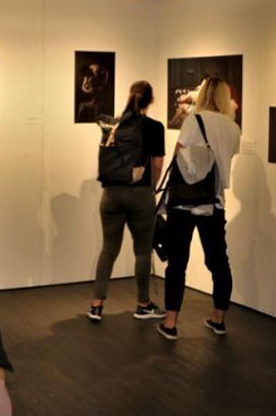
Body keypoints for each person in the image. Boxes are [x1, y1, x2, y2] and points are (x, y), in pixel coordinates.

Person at [158, 76, 241, 341]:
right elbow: (226, 160)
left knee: (177, 262)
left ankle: (171, 323)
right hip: (215, 202)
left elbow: (178, 156)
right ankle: (219, 319)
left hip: (185, 202)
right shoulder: (232, 127)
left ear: (203, 95)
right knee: (219, 261)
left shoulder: (194, 120)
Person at [88, 81, 166, 322]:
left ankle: (96, 305)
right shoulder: (154, 127)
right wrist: (151, 191)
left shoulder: (115, 124)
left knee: (109, 248)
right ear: (150, 100)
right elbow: (157, 164)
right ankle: (143, 305)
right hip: (139, 194)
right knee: (142, 251)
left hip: (110, 194)